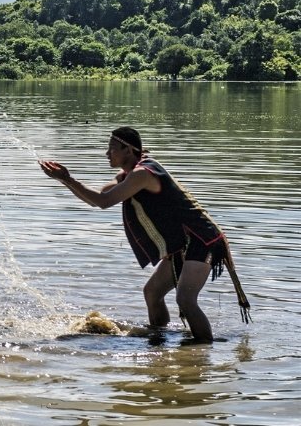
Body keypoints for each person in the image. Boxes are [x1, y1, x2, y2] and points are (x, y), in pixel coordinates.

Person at [39, 126, 250, 343]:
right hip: (183, 244)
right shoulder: (128, 176)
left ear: (128, 150)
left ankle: (202, 350)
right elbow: (99, 196)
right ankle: (158, 341)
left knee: (186, 299)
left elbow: (103, 202)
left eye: (111, 148)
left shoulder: (142, 174)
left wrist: (68, 178)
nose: (106, 153)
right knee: (152, 293)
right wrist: (64, 180)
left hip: (202, 239)